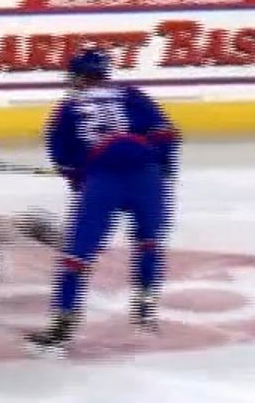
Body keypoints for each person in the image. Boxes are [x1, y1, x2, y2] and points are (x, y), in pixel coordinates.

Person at [26, 49, 178, 356]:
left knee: (77, 255)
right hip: (146, 177)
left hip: (103, 181)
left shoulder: (68, 107)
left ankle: (62, 324)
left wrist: (81, 179)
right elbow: (166, 135)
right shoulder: (132, 94)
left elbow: (62, 157)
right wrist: (163, 174)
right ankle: (145, 304)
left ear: (78, 76)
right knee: (149, 243)